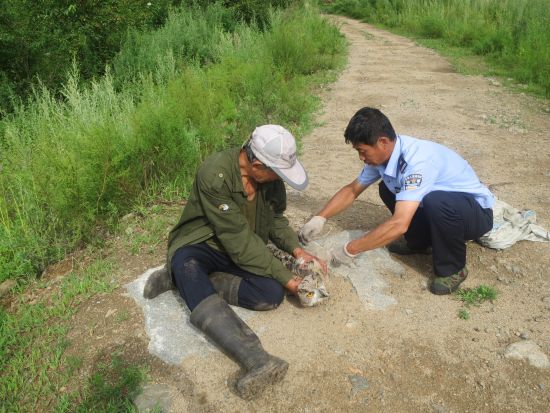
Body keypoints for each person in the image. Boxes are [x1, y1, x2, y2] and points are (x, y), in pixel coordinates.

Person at [143, 124, 326, 400]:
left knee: (271, 294)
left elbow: (276, 221)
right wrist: (291, 279)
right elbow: (238, 240)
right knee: (187, 262)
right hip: (204, 244)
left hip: (240, 248)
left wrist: (297, 251)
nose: (279, 179)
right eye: (275, 172)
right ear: (255, 163)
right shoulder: (214, 174)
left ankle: (188, 283)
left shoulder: (271, 180)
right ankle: (257, 359)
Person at [299, 107, 494, 295]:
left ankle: (453, 269)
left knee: (436, 201)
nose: (361, 157)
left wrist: (350, 249)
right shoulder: (383, 157)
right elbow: (352, 190)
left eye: (363, 151)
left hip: (474, 214)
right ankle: (419, 243)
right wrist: (320, 217)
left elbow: (400, 224)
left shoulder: (417, 162)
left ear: (382, 141)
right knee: (388, 187)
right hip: (442, 208)